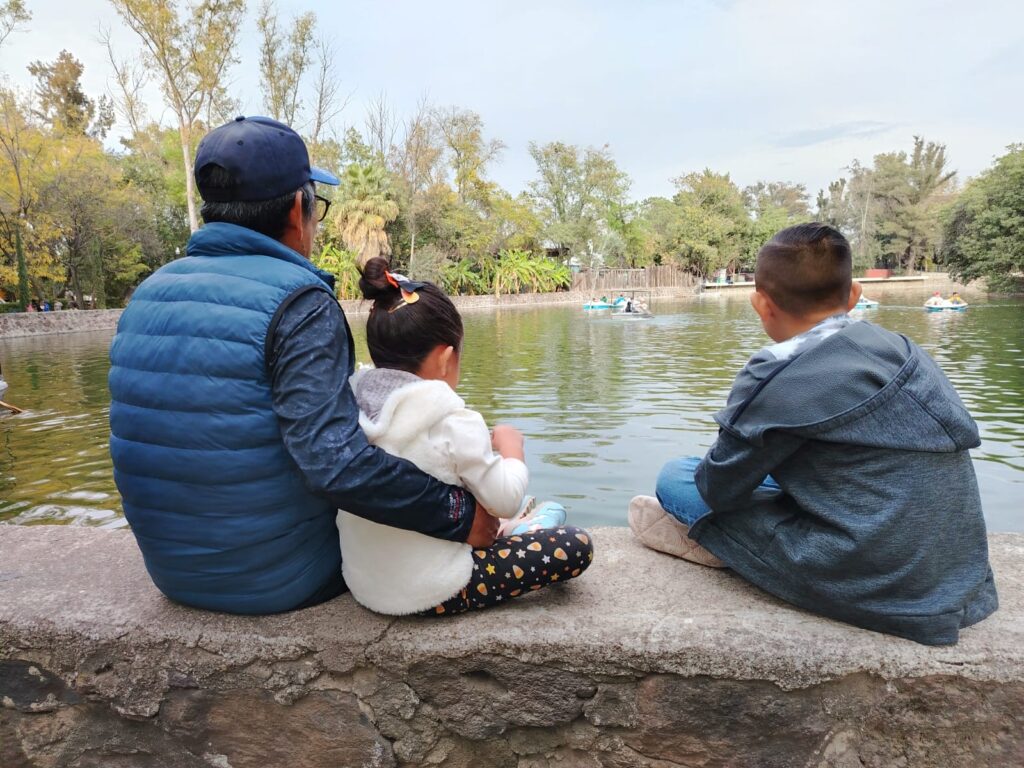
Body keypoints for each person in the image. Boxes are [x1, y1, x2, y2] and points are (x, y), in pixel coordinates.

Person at [108, 116, 499, 615]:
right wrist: (458, 515)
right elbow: (335, 464)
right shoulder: (300, 303)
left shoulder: (147, 294)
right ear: (299, 209)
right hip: (280, 580)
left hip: (173, 574)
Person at [628, 223, 997, 645]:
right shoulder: (903, 350)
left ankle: (727, 549)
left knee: (677, 477)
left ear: (760, 305)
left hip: (874, 579)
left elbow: (717, 489)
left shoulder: (775, 373)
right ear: (854, 295)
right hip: (955, 572)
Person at [338, 258, 594, 616]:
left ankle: (521, 525)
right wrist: (511, 451)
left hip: (364, 583)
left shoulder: (350, 409)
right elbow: (505, 498)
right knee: (574, 545)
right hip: (432, 590)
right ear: (446, 359)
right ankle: (525, 527)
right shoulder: (454, 420)